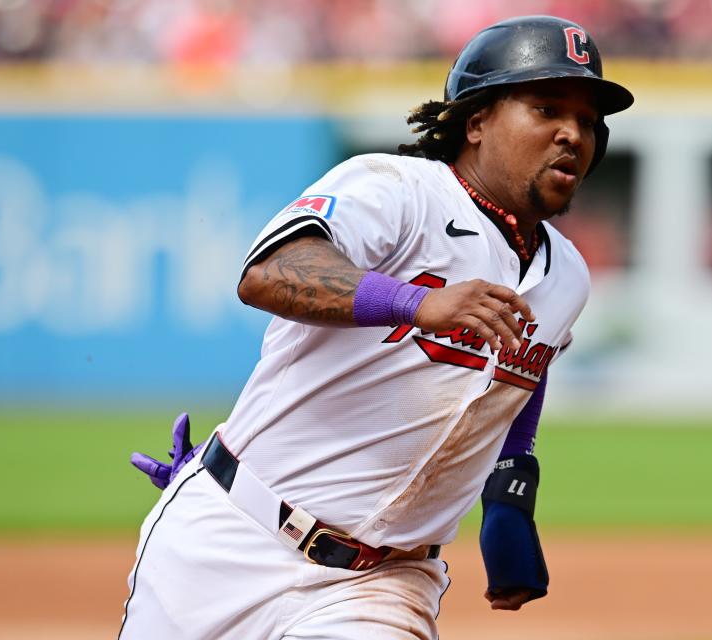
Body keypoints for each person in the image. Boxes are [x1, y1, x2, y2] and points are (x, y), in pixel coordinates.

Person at [119, 14, 633, 639]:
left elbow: (523, 372)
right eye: (547, 107)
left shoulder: (567, 276)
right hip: (230, 542)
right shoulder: (398, 190)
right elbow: (269, 271)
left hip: (383, 585)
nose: (571, 135)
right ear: (476, 122)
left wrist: (509, 494)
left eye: (586, 121)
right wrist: (413, 303)